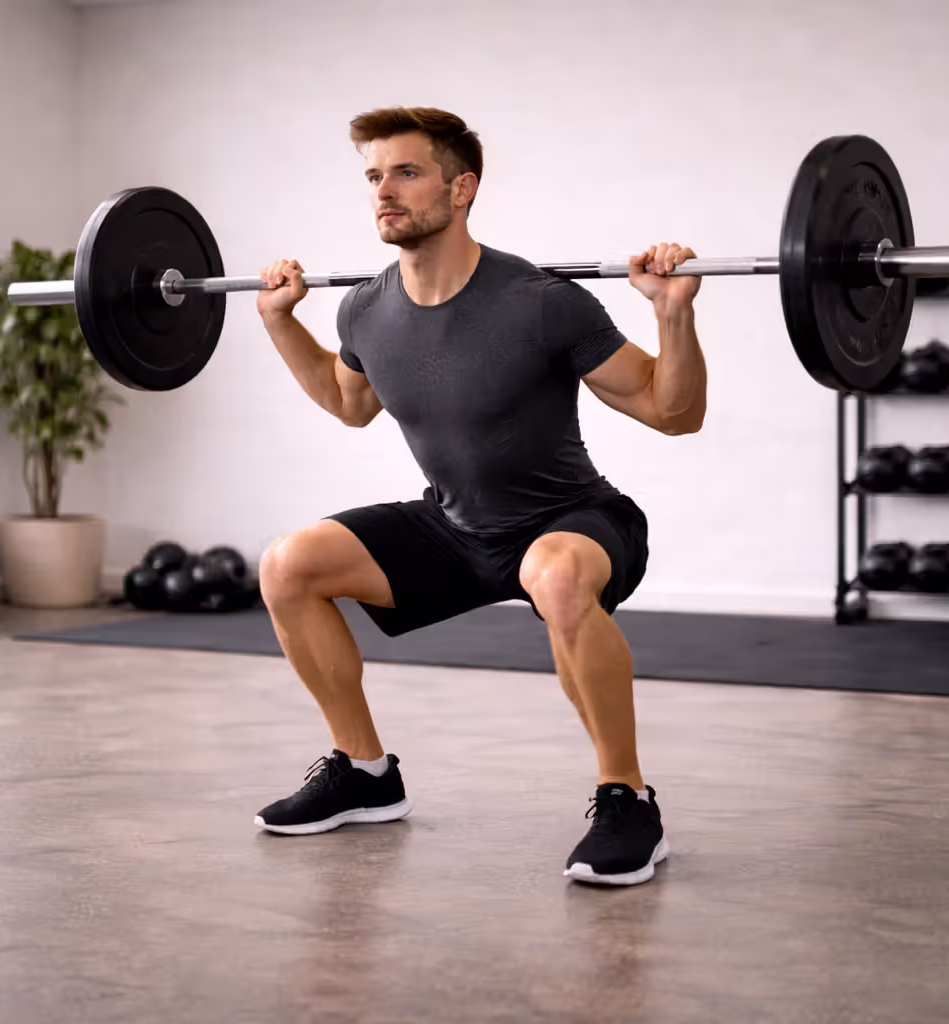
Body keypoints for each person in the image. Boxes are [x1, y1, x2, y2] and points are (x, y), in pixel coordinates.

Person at [251, 106, 706, 887]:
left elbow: (675, 413)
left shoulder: (539, 301)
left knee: (556, 576)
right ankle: (365, 773)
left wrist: (673, 313)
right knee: (289, 565)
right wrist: (278, 322)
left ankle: (627, 798)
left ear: (462, 189)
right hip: (456, 526)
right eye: (372, 176)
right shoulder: (364, 307)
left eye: (405, 172)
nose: (382, 192)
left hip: (571, 520)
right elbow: (349, 400)